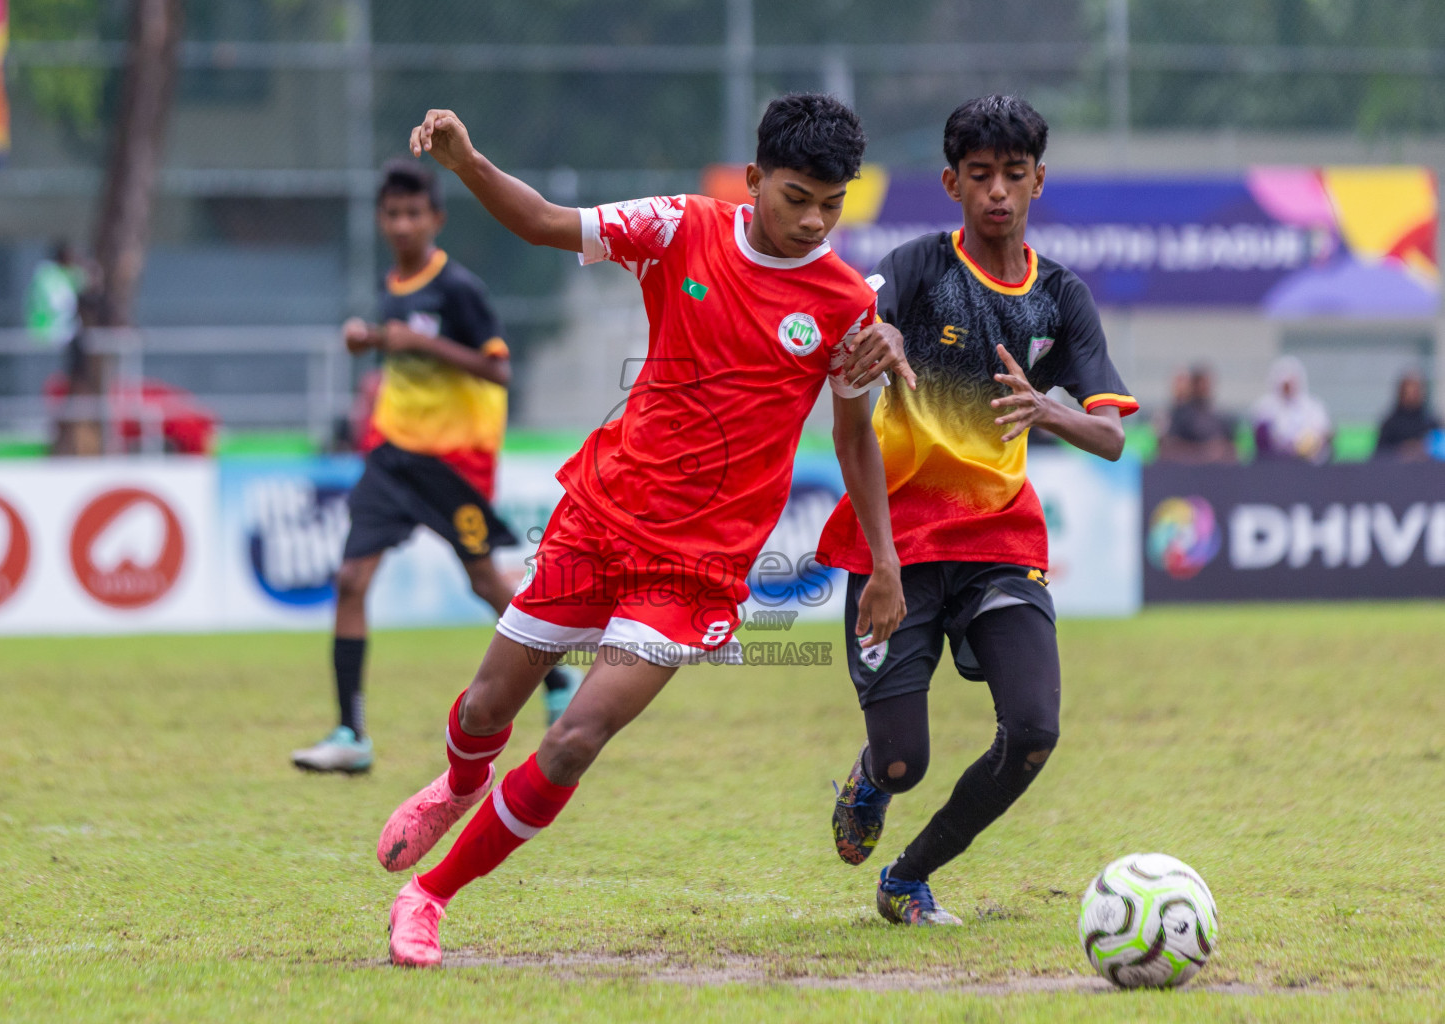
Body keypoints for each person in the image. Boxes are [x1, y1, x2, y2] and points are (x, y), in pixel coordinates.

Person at [380, 94, 915, 967]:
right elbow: (548, 222)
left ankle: (429, 896)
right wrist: (468, 162)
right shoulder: (680, 228)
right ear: (753, 181)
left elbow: (853, 439)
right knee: (485, 707)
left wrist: (884, 562)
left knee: (574, 737)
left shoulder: (848, 305)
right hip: (601, 518)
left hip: (695, 570)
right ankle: (459, 782)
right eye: (795, 197)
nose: (814, 220)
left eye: (833, 202)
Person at [817, 95, 1138, 927]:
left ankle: (908, 878)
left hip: (999, 539)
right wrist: (871, 338)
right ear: (953, 183)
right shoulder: (918, 267)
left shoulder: (1060, 298)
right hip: (892, 543)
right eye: (982, 175)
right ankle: (870, 780)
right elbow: (842, 323)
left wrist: (1047, 410)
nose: (999, 191)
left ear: (1038, 182)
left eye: (1015, 175)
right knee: (902, 764)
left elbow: (1109, 437)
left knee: (1033, 731)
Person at [291, 159, 580, 774]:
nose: (402, 223)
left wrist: (421, 344)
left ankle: (557, 677)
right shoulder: (389, 285)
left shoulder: (459, 289)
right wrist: (368, 341)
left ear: (436, 219)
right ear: (381, 219)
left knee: (485, 582)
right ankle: (351, 733)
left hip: (453, 466)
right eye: (392, 213)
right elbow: (399, 349)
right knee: (349, 581)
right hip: (393, 457)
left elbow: (498, 369)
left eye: (413, 212)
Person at [1251, 356, 1330, 463]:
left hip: (1308, 462)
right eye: (1285, 385)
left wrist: (1306, 445)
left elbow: (1323, 434)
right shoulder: (1264, 407)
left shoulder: (1313, 407)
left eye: (1291, 384)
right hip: (1275, 462)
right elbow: (1262, 439)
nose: (1288, 388)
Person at [1157, 364, 1238, 464]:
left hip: (1218, 474)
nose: (1203, 388)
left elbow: (1233, 449)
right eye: (1199, 383)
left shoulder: (1220, 418)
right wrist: (1204, 452)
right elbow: (1168, 449)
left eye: (1206, 383)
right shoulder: (1180, 415)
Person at [1373, 370, 1439, 461]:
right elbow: (1379, 454)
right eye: (1408, 392)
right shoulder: (1390, 424)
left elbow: (1439, 451)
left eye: (1415, 392)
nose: (1412, 396)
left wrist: (1421, 449)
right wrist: (1401, 450)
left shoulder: (1430, 422)